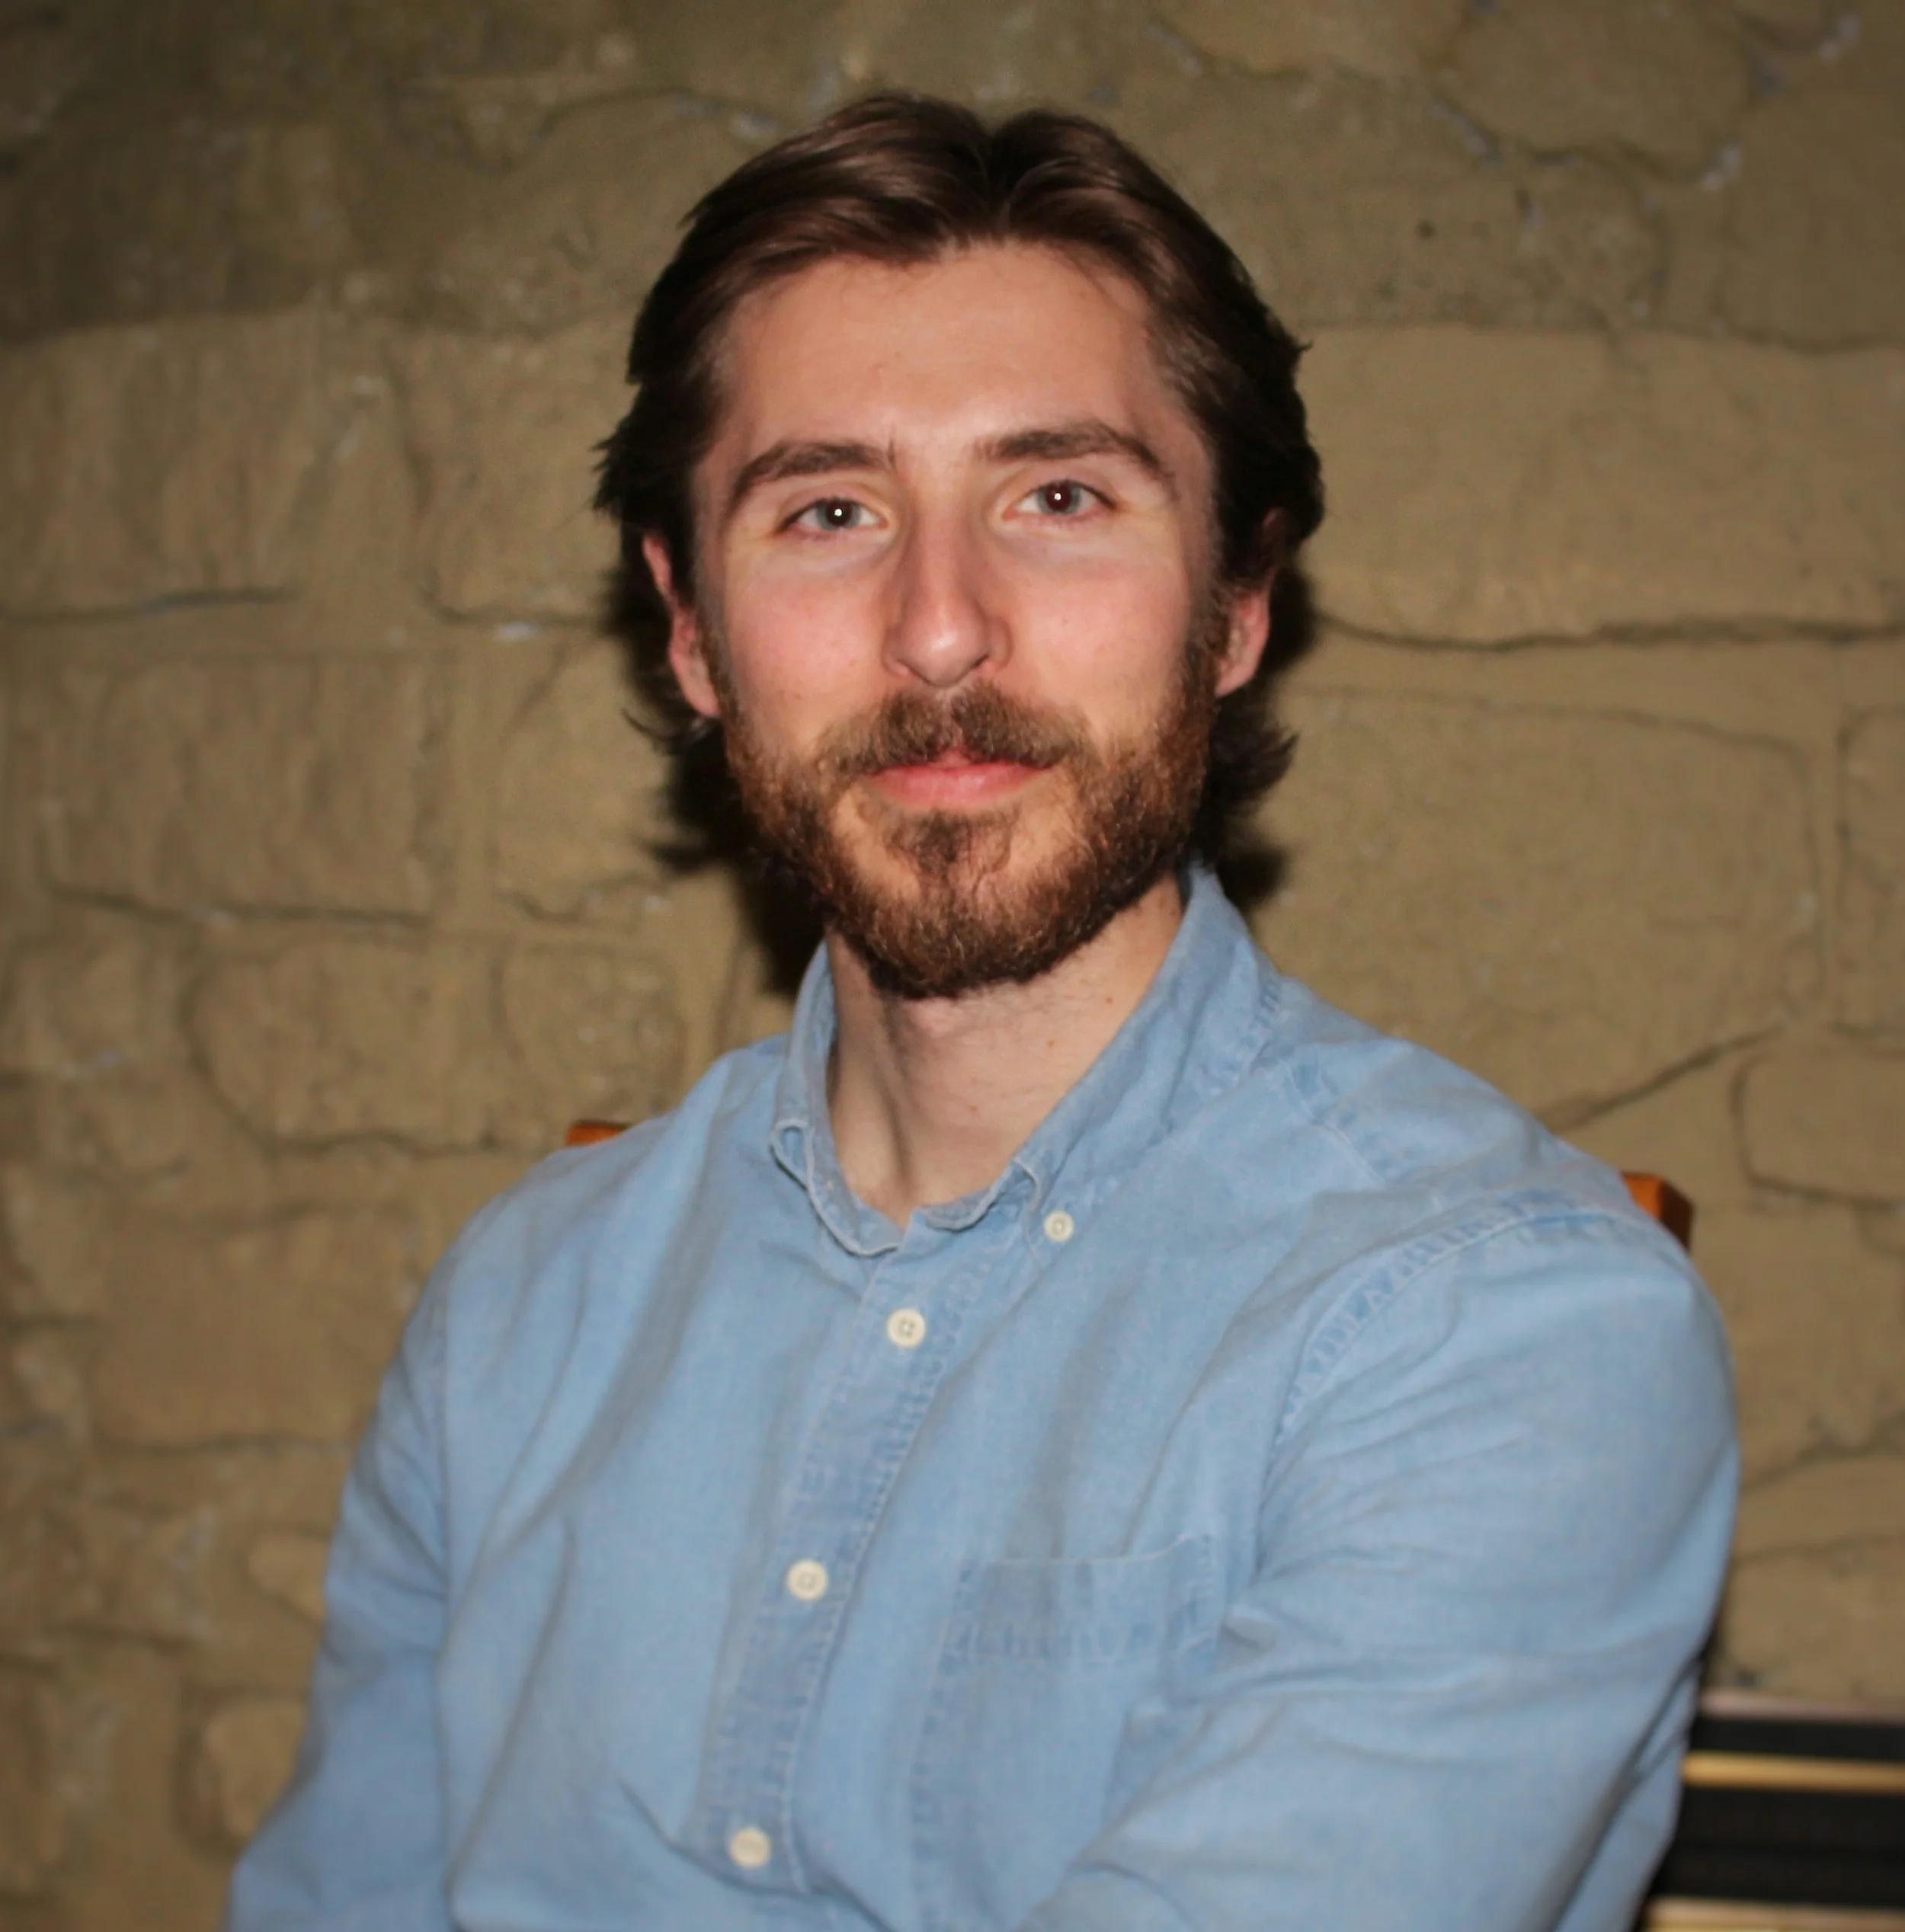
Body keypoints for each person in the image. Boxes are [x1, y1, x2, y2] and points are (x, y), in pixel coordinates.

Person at [227, 94, 1735, 1932]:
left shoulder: (1505, 1326)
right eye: (830, 509)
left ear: (1236, 601)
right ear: (692, 630)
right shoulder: (520, 1311)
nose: (941, 628)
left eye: (1057, 497)